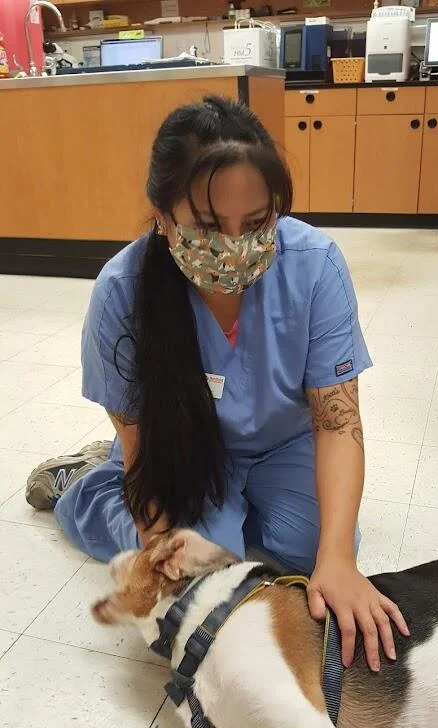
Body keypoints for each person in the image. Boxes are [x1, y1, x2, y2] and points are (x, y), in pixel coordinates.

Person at [26, 95, 408, 670]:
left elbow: (338, 424)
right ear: (162, 216)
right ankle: (82, 485)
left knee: (316, 551)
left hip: (284, 441)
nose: (235, 248)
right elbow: (142, 450)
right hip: (178, 445)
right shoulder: (122, 292)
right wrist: (160, 552)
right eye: (207, 227)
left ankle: (246, 512)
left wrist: (337, 559)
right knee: (190, 571)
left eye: (256, 224)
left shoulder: (315, 265)